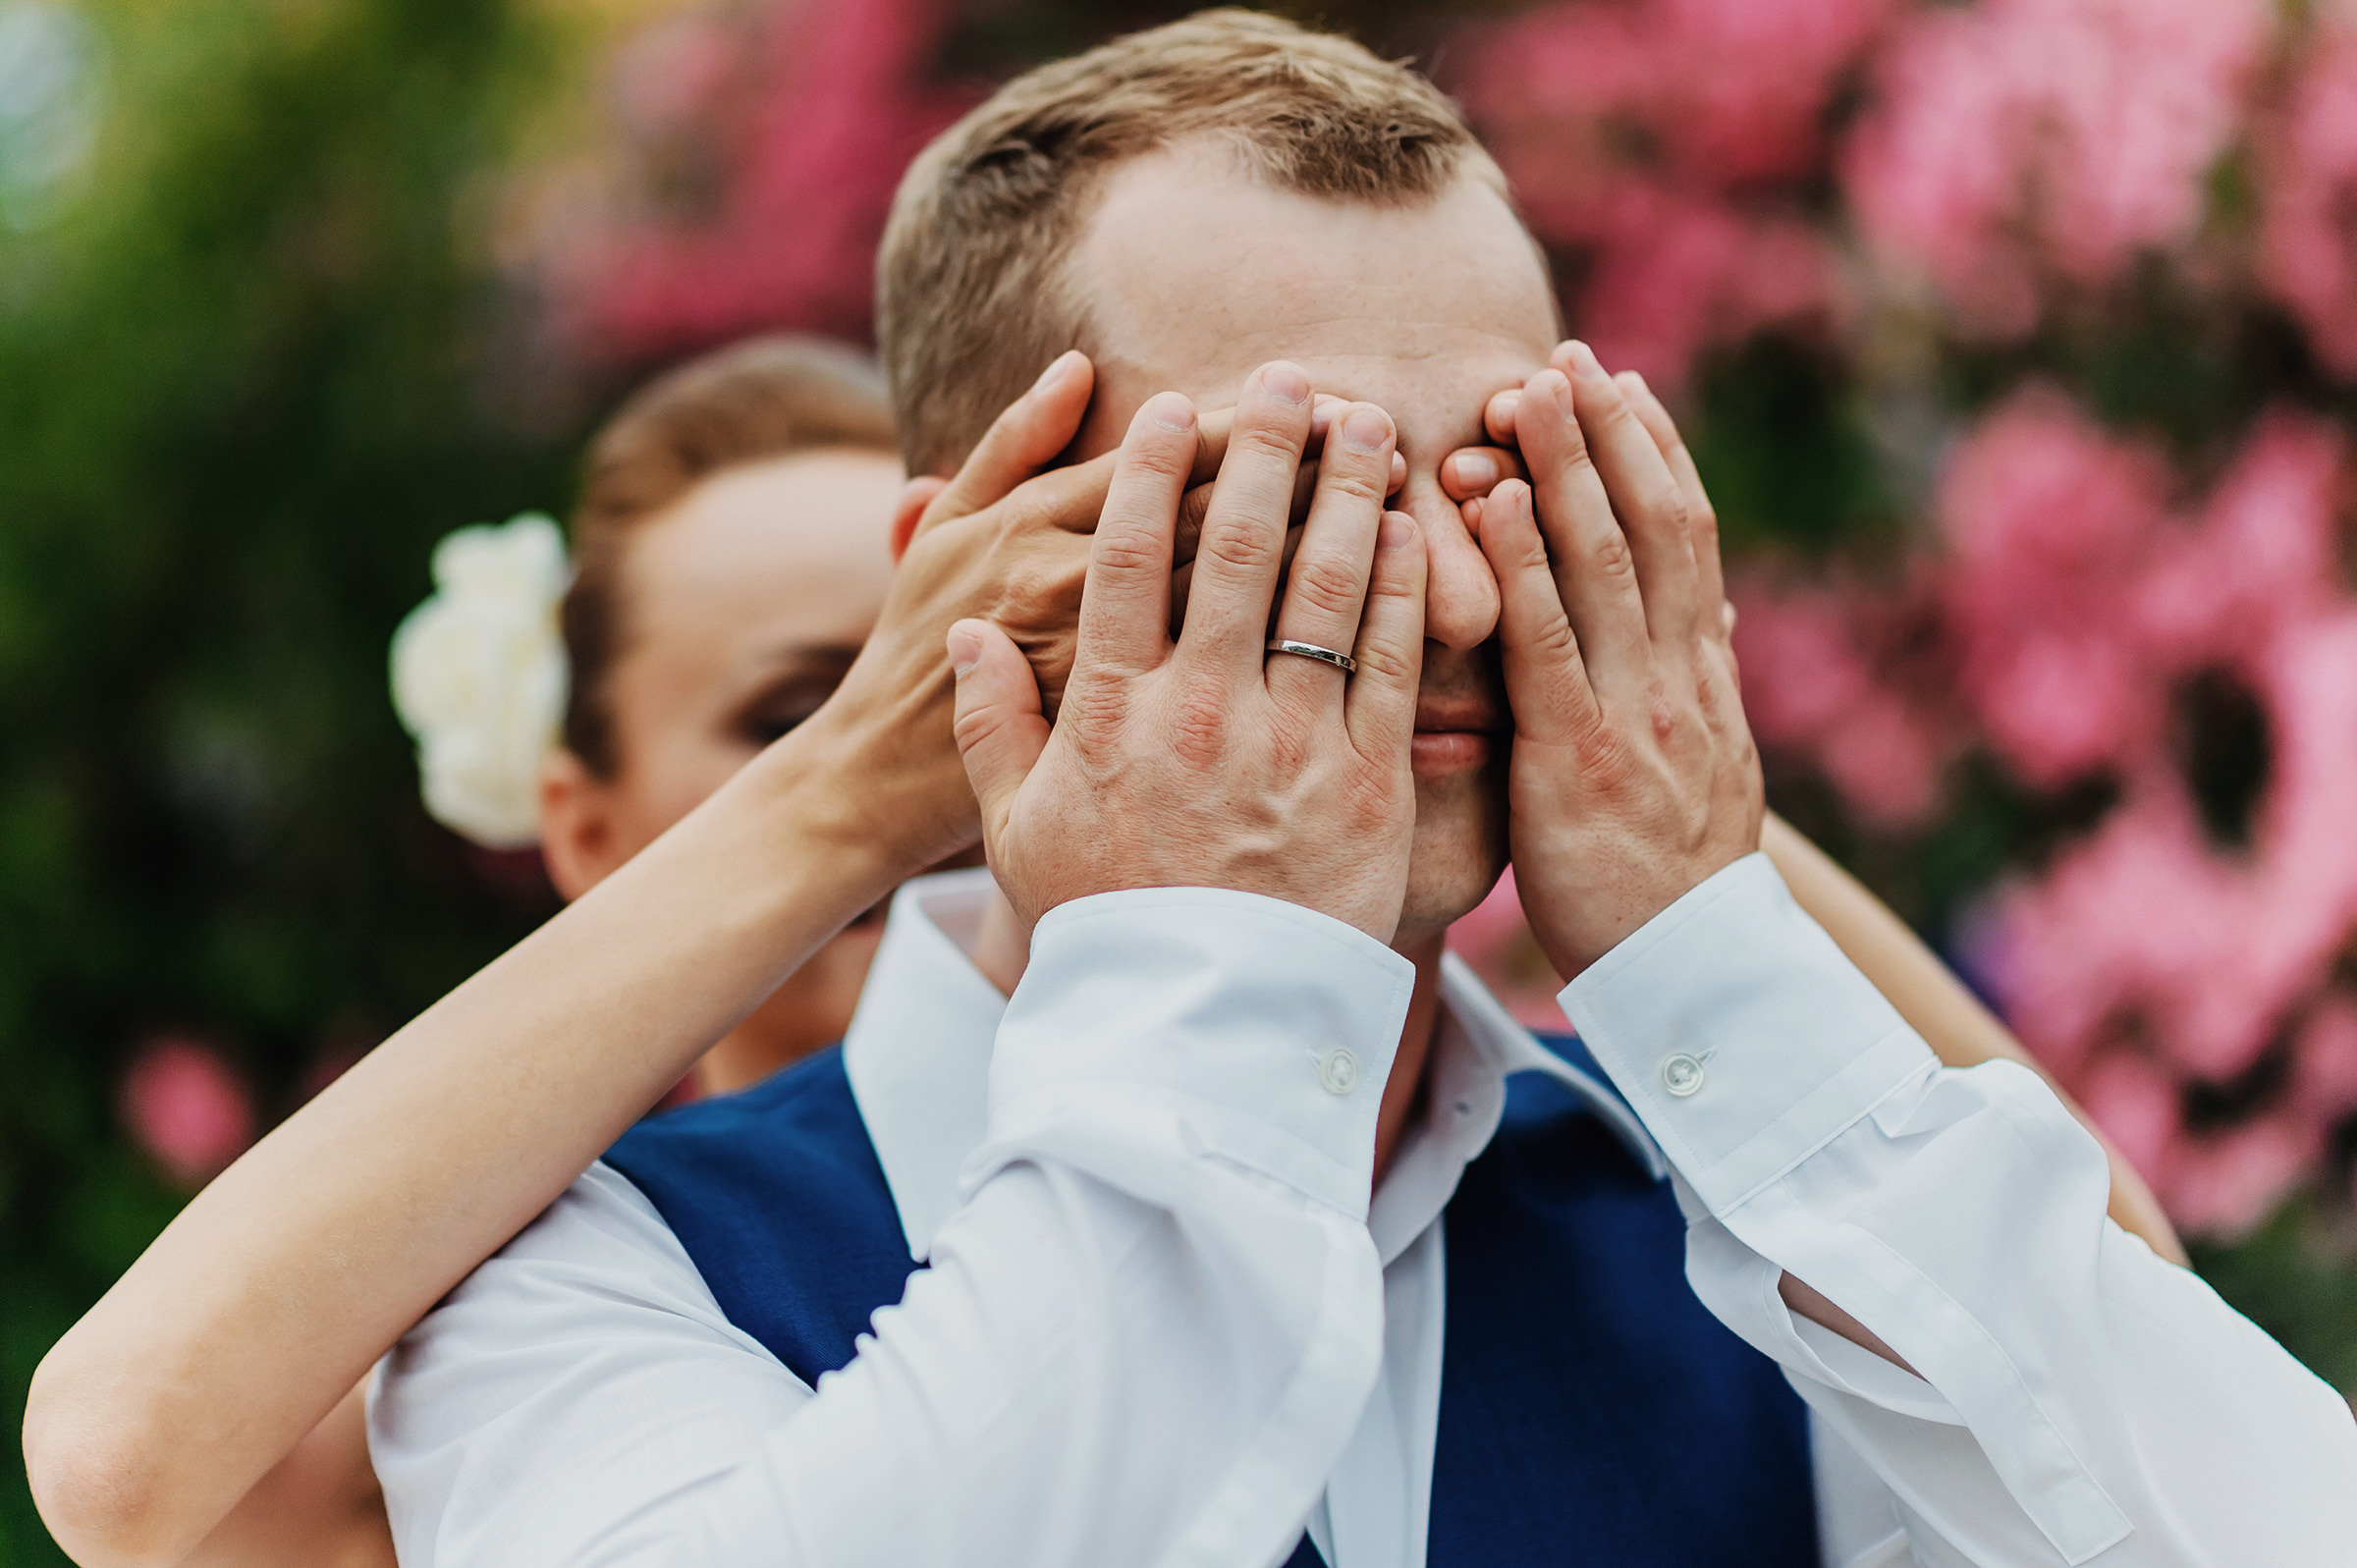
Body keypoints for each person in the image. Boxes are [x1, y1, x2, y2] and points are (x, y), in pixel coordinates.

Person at [22, 18, 2197, 1568]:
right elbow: (134, 1466)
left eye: (1510, 486)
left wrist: (1644, 761)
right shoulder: (602, 1274)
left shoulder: (1732, 1222)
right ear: (971, 574)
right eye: (1295, 495)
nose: (1436, 580)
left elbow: (2190, 1479)